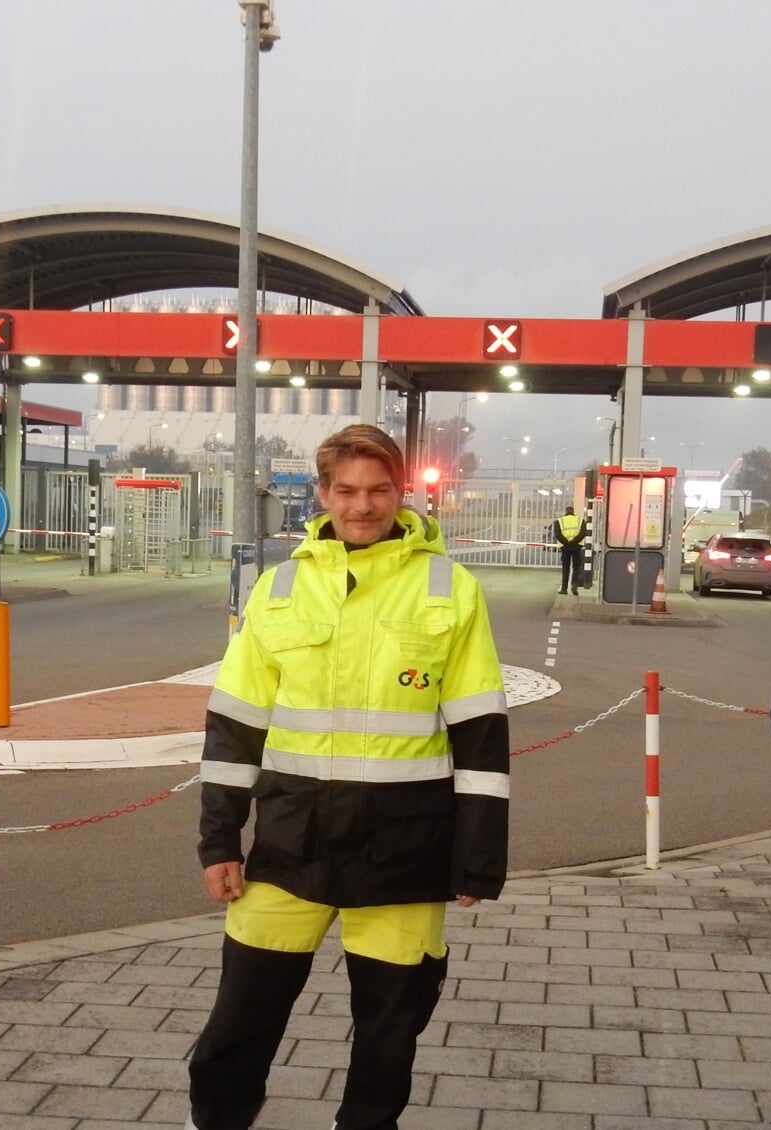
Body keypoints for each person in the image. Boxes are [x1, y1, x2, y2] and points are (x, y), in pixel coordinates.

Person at [187, 424, 510, 1130]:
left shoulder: (450, 588)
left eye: (378, 490)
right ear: (323, 493)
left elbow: (480, 734)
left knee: (388, 1041)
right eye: (347, 490)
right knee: (235, 1027)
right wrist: (219, 843)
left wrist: (478, 859)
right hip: (287, 850)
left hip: (406, 854)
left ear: (402, 491)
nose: (363, 506)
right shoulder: (278, 591)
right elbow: (234, 728)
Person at [552, 504, 588, 595]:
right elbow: (583, 533)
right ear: (573, 511)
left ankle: (564, 589)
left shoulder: (559, 521)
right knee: (576, 567)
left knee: (566, 568)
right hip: (577, 547)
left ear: (566, 511)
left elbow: (558, 534)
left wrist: (567, 543)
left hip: (565, 548)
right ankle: (574, 585)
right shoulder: (581, 521)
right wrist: (574, 542)